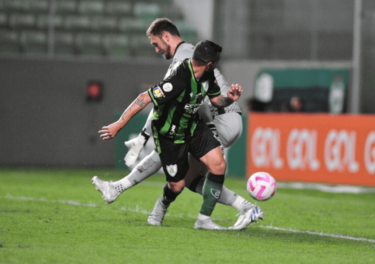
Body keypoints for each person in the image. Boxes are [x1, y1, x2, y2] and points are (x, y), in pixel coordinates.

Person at [92, 19, 262, 230]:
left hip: (205, 123)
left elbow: (213, 100)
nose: (156, 50)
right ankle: (153, 203)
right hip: (185, 130)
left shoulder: (196, 67)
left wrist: (230, 98)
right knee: (183, 182)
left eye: (156, 44)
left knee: (208, 167)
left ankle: (215, 215)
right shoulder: (184, 70)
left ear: (166, 37)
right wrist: (128, 128)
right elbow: (149, 99)